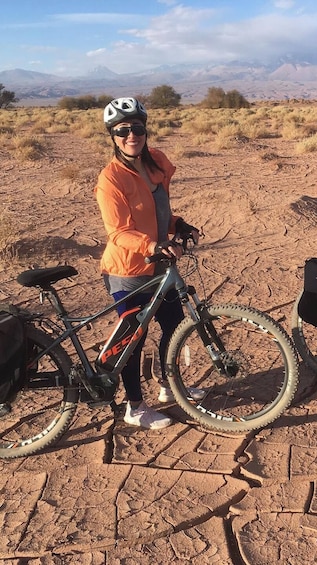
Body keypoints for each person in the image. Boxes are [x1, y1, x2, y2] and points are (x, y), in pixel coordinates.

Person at [95, 97, 204, 430]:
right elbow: (119, 232)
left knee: (173, 326)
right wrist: (153, 244)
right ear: (112, 135)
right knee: (134, 339)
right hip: (127, 271)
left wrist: (176, 225)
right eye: (122, 130)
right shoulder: (111, 178)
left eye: (137, 128)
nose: (132, 135)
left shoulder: (156, 161)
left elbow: (156, 211)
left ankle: (168, 387)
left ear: (145, 129)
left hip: (160, 266)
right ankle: (134, 406)